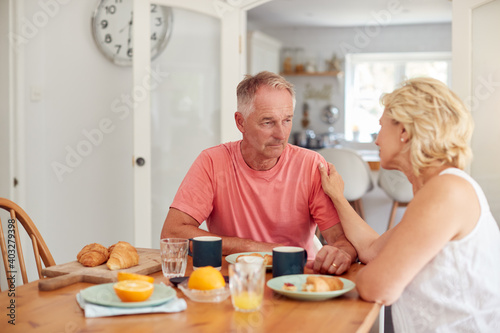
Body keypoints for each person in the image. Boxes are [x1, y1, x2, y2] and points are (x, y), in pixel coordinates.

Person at [315, 77, 500, 331]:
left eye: (381, 128)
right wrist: (337, 195)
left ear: (404, 132)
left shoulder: (446, 192)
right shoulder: (438, 190)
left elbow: (377, 286)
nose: (376, 140)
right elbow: (371, 249)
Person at [161, 71, 356, 274]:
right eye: (268, 122)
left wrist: (341, 254)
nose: (281, 135)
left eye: (287, 120)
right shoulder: (212, 162)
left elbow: (343, 240)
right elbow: (173, 233)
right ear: (240, 122)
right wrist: (253, 248)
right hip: (233, 278)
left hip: (295, 278)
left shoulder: (311, 165)